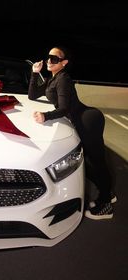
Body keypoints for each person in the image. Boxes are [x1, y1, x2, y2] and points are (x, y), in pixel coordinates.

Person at [28, 46, 117, 220]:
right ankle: (107, 192)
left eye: (54, 59)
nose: (49, 61)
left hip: (87, 121)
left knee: (97, 162)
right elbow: (32, 95)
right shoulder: (52, 79)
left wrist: (46, 116)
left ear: (64, 63)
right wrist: (34, 73)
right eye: (48, 57)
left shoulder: (63, 79)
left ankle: (107, 205)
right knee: (87, 162)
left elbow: (64, 108)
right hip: (79, 120)